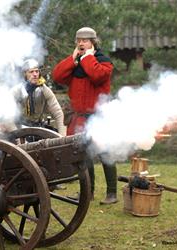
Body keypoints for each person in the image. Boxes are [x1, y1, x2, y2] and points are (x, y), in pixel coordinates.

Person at [52, 27, 118, 204]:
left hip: (98, 116)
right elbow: (57, 76)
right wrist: (72, 59)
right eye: (79, 40)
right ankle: (87, 193)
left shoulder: (103, 62)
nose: (81, 43)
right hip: (80, 118)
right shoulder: (76, 63)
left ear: (93, 43)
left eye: (85, 40)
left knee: (105, 154)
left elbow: (96, 76)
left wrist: (87, 57)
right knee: (83, 156)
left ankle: (112, 194)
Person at [12, 59, 66, 136]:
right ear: (25, 74)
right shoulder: (17, 91)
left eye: (37, 71)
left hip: (39, 128)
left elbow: (58, 113)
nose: (35, 74)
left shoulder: (44, 90)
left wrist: (62, 136)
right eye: (31, 72)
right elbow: (8, 117)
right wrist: (16, 137)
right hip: (20, 129)